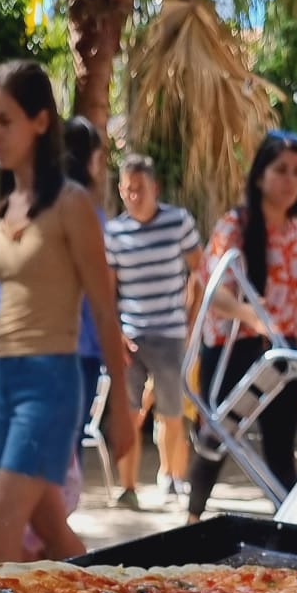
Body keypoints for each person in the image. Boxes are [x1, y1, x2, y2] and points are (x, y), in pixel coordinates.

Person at [0, 59, 132, 562]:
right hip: (5, 376)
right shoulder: (6, 209)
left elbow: (105, 312)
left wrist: (122, 409)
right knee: (47, 526)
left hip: (51, 379)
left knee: (2, 522)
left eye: (5, 120)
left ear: (40, 121)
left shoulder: (72, 205)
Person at [186, 130, 297, 521]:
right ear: (260, 176)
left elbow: (293, 297)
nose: (290, 180)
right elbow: (212, 292)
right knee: (215, 442)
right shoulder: (234, 225)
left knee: (280, 451)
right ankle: (190, 524)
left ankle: (294, 532)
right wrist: (250, 316)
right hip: (233, 352)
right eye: (281, 170)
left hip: (283, 353)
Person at [104, 153, 204, 507]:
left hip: (170, 331)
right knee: (129, 412)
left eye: (140, 190)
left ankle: (171, 477)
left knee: (171, 411)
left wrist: (191, 322)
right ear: (120, 189)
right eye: (128, 190)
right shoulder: (114, 233)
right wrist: (115, 332)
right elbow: (107, 289)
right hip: (130, 335)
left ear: (155, 188)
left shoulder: (178, 222)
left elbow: (199, 271)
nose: (134, 196)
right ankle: (128, 487)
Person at [61, 115, 108, 516]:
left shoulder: (35, 205)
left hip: (48, 350)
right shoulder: (84, 211)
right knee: (68, 446)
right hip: (78, 348)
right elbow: (103, 294)